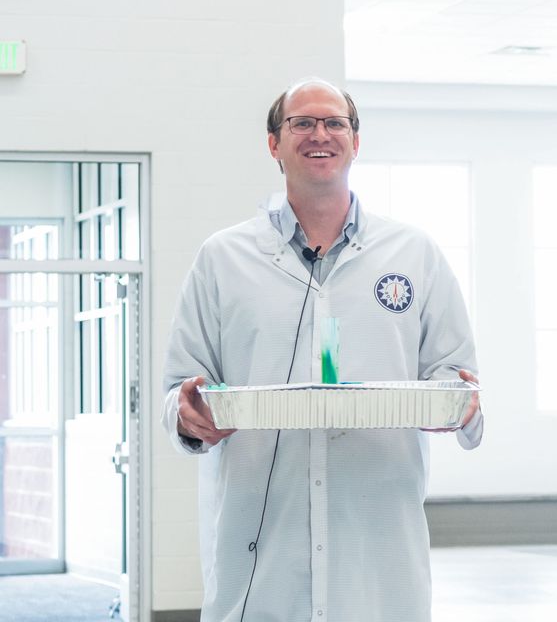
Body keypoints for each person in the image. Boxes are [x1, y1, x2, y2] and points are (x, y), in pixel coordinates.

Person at [162, 77, 483, 622]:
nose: (320, 134)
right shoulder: (223, 258)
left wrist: (457, 402)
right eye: (302, 122)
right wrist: (186, 415)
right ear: (274, 143)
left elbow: (457, 376)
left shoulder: (414, 254)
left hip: (378, 541)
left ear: (355, 141)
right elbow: (178, 389)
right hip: (263, 543)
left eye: (335, 123)